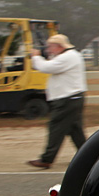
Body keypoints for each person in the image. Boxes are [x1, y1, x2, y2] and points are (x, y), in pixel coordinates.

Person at [27, 34, 87, 169]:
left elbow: (47, 68)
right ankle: (89, 156)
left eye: (50, 46)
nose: (48, 49)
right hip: (71, 98)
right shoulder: (68, 56)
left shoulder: (68, 57)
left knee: (56, 128)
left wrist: (36, 56)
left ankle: (47, 159)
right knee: (75, 130)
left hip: (67, 99)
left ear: (59, 46)